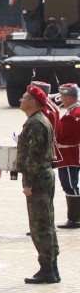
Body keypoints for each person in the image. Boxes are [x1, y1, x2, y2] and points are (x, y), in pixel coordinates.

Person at [18, 84, 61, 284]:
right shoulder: (38, 120)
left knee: (40, 224)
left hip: (38, 177)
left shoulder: (36, 123)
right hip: (44, 175)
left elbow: (33, 156)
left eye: (24, 97)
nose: (21, 100)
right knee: (47, 222)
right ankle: (52, 267)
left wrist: (28, 183)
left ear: (32, 102)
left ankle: (47, 270)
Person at [55, 83, 80, 230]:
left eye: (63, 96)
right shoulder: (73, 112)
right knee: (69, 185)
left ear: (70, 97)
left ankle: (75, 218)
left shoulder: (73, 115)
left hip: (69, 155)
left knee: (70, 185)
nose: (62, 99)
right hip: (68, 155)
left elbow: (61, 135)